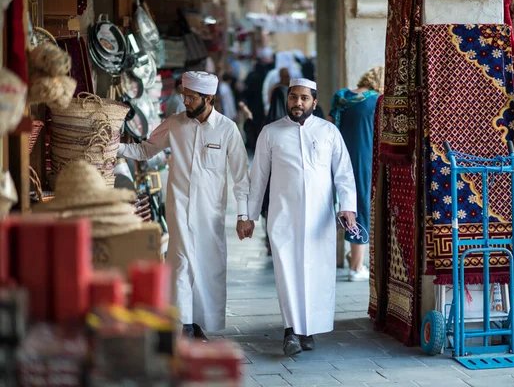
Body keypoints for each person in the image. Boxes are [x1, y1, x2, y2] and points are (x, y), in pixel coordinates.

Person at [118, 71, 255, 340]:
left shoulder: (227, 129)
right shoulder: (175, 124)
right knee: (179, 261)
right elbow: (145, 150)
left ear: (209, 97)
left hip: (210, 212)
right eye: (185, 96)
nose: (186, 102)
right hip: (179, 206)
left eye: (191, 98)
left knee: (208, 266)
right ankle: (184, 324)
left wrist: (243, 215)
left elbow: (241, 176)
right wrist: (115, 148)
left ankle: (201, 322)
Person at [248, 78, 357, 356]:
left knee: (317, 273)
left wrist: (347, 207)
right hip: (283, 217)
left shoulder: (329, 131)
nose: (298, 103)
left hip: (320, 218)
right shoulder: (270, 132)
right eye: (293, 97)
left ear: (314, 102)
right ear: (287, 99)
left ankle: (308, 330)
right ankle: (291, 331)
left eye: (304, 98)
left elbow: (343, 173)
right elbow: (258, 178)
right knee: (288, 273)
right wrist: (248, 216)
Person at [329, 66, 384, 282]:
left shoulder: (341, 98)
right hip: (363, 158)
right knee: (360, 206)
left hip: (337, 157)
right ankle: (356, 267)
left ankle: (345, 257)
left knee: (339, 204)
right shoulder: (375, 101)